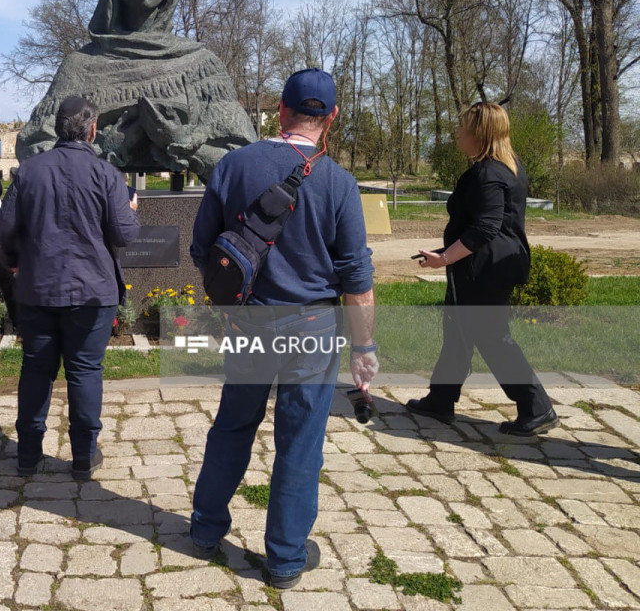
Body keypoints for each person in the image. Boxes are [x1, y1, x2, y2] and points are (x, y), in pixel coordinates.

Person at [187, 69, 378, 589]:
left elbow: (202, 250)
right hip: (313, 325)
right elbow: (358, 277)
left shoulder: (233, 166)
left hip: (249, 320)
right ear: (331, 117)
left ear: (280, 109)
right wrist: (365, 348)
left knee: (232, 425)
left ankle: (205, 529)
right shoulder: (338, 181)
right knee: (300, 441)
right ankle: (286, 558)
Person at [15, 0, 255, 183]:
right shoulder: (80, 66)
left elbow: (243, 162)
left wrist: (184, 146)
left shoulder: (200, 64)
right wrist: (104, 148)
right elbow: (33, 153)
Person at [0, 96, 141, 480]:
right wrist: (132, 211)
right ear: (92, 130)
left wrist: (13, 260)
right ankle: (83, 455)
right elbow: (125, 234)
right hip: (92, 292)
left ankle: (28, 454)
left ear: (59, 128)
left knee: (36, 370)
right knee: (84, 371)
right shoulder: (107, 175)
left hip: (38, 288)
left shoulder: (29, 171)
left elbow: (6, 228)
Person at [409, 102, 558, 436]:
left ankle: (536, 406)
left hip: (482, 269)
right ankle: (441, 398)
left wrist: (444, 258)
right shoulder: (510, 166)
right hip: (491, 263)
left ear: (478, 134)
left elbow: (485, 229)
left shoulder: (487, 173)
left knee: (492, 338)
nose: (457, 133)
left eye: (462, 128)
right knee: (458, 331)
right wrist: (445, 253)